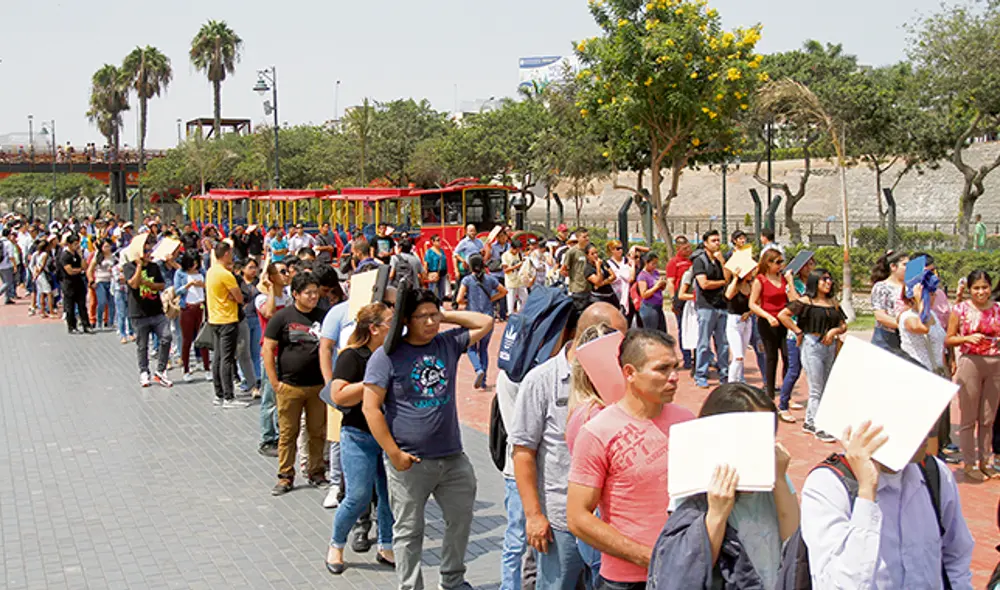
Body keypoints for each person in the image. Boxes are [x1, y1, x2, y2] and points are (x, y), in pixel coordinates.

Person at [362, 290, 493, 590]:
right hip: (410, 461)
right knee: (408, 531)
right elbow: (371, 407)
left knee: (460, 520)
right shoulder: (387, 355)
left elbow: (484, 322)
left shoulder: (446, 343)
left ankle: (452, 579)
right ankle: (410, 586)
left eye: (435, 315)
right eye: (424, 316)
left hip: (452, 457)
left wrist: (444, 314)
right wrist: (393, 453)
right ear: (406, 319)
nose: (432, 322)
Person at [511, 302, 628, 590]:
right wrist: (534, 515)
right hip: (560, 519)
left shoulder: (620, 379)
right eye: (618, 340)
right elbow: (523, 452)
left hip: (608, 520)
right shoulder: (542, 380)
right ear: (591, 336)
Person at [567, 329, 695, 590]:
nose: (673, 378)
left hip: (686, 573)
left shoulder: (687, 421)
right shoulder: (597, 432)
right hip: (625, 581)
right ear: (629, 373)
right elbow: (578, 517)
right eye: (662, 369)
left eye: (676, 368)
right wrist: (648, 557)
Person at [647, 383, 799, 590]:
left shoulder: (773, 473)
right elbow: (690, 568)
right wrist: (717, 514)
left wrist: (780, 480)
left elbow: (794, 542)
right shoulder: (695, 487)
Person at [800, 421, 974, 588]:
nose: (930, 428)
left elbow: (957, 554)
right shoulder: (828, 485)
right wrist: (867, 494)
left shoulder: (935, 474)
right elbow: (837, 585)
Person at [324, 303, 396, 574]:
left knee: (388, 496)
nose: (395, 326)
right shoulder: (352, 356)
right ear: (374, 328)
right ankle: (336, 545)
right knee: (358, 495)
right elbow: (338, 394)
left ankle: (386, 545)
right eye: (390, 321)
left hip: (387, 434)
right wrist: (371, 383)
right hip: (358, 434)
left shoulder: (391, 353)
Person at [263, 271, 329, 496]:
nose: (313, 297)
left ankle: (317, 471)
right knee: (288, 434)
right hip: (289, 387)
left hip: (318, 387)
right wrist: (275, 383)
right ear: (295, 295)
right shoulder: (282, 318)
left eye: (315, 293)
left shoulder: (324, 315)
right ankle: (285, 476)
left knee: (317, 432)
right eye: (308, 293)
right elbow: (268, 350)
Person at [778, 269, 847, 442]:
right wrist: (798, 332)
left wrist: (834, 331)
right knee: (816, 387)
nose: (828, 282)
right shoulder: (805, 301)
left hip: (829, 346)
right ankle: (819, 426)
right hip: (812, 345)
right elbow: (783, 315)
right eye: (824, 279)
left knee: (825, 385)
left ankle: (810, 421)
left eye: (829, 279)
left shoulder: (832, 302)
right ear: (815, 282)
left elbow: (843, 324)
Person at [945, 270, 1000, 481]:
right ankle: (969, 463)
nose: (981, 292)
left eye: (984, 287)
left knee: (988, 417)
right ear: (969, 289)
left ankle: (986, 460)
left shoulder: (997, 309)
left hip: (995, 363)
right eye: (976, 288)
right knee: (968, 417)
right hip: (970, 362)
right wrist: (967, 338)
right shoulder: (959, 310)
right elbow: (949, 338)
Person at [123, 235, 172, 387]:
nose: (148, 252)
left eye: (149, 249)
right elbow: (134, 285)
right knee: (142, 345)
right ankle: (144, 372)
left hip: (156, 311)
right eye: (145, 250)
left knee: (166, 337)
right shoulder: (128, 267)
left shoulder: (154, 267)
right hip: (139, 313)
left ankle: (161, 371)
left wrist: (149, 284)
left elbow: (161, 285)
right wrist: (139, 267)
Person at [256, 261, 292, 457]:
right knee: (269, 396)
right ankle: (267, 438)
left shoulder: (287, 297)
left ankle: (280, 434)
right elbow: (268, 313)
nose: (287, 275)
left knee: (283, 397)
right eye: (282, 272)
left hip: (286, 351)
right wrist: (270, 290)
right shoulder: (262, 299)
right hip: (271, 352)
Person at [206, 241, 248, 408]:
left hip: (215, 319)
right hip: (227, 319)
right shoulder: (226, 274)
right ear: (225, 255)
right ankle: (229, 397)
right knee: (227, 359)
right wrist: (236, 297)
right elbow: (239, 297)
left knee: (217, 357)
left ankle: (219, 394)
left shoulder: (211, 272)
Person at [457, 254, 507, 389]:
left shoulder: (467, 280)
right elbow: (504, 291)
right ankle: (483, 380)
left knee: (471, 347)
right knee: (484, 349)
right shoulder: (490, 279)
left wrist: (469, 301)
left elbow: (459, 299)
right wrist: (491, 299)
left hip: (473, 317)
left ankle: (478, 369)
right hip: (488, 317)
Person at [776, 253, 816, 421]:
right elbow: (795, 302)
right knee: (794, 369)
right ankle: (783, 405)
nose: (810, 267)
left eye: (812, 264)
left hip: (813, 332)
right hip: (795, 332)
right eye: (806, 265)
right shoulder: (795, 284)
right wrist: (791, 281)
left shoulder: (814, 284)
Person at [749, 248, 789, 402]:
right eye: (777, 262)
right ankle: (770, 393)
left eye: (781, 262)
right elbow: (752, 304)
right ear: (768, 263)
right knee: (771, 358)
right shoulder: (760, 280)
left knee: (788, 357)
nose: (780, 265)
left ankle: (786, 393)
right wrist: (766, 316)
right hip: (768, 323)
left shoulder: (783, 278)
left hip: (784, 321)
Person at [692, 230, 729, 388]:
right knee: (704, 343)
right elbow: (704, 284)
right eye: (713, 240)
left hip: (722, 306)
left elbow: (729, 278)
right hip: (706, 307)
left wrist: (722, 263)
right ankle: (700, 374)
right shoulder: (700, 261)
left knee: (723, 343)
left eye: (718, 240)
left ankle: (724, 374)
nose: (717, 243)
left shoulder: (722, 260)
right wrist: (722, 283)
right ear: (706, 243)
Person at [173, 253, 212, 382]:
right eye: (192, 263)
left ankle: (207, 368)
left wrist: (203, 285)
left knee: (203, 339)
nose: (195, 266)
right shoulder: (180, 273)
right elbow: (177, 290)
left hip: (200, 307)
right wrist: (188, 286)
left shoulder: (202, 272)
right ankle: (186, 369)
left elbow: (210, 286)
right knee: (187, 339)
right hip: (187, 308)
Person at [870, 251, 909, 355]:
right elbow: (880, 316)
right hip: (886, 339)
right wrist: (904, 325)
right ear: (893, 266)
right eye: (905, 265)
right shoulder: (881, 287)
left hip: (907, 338)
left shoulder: (911, 287)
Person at [665, 237, 694, 367]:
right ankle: (687, 357)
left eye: (689, 247)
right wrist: (673, 300)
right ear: (678, 248)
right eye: (685, 248)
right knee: (683, 328)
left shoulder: (692, 261)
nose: (688, 250)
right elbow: (670, 282)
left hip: (693, 298)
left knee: (695, 328)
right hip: (681, 299)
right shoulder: (674, 263)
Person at [724, 266, 755, 384]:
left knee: (742, 356)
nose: (751, 273)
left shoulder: (751, 285)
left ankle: (739, 380)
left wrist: (750, 312)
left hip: (747, 321)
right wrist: (736, 278)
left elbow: (757, 301)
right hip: (734, 321)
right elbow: (728, 295)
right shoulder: (735, 285)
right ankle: (731, 382)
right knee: (738, 356)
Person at [60, 233, 93, 334]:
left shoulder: (77, 255)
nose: (77, 246)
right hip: (68, 283)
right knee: (70, 306)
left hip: (79, 282)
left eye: (78, 243)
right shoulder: (65, 255)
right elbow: (69, 271)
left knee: (82, 305)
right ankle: (72, 326)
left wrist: (81, 256)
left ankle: (86, 325)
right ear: (69, 244)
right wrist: (80, 270)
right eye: (75, 244)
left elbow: (85, 266)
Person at [605, 240, 636, 326]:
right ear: (611, 250)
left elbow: (631, 278)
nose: (620, 251)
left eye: (622, 248)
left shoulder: (627, 260)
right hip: (616, 294)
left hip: (629, 295)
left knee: (628, 320)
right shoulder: (608, 263)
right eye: (617, 248)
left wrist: (634, 247)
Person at [87, 239, 116, 330]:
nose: (108, 248)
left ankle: (110, 322)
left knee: (111, 303)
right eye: (105, 247)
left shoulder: (113, 257)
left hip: (111, 281)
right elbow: (89, 270)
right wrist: (91, 281)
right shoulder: (97, 257)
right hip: (100, 281)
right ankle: (99, 321)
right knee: (102, 301)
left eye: (109, 246)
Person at [636, 252, 668, 333]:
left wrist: (662, 285)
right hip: (649, 307)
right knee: (652, 333)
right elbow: (644, 294)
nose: (655, 266)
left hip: (658, 306)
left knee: (662, 332)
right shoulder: (642, 276)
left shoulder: (655, 273)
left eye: (656, 264)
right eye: (653, 264)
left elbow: (660, 289)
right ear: (646, 263)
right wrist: (656, 286)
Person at [563, 228, 593, 312]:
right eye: (584, 237)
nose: (587, 238)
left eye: (588, 236)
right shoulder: (572, 252)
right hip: (578, 289)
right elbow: (564, 269)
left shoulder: (589, 250)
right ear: (578, 238)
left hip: (589, 288)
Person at [585, 244, 618, 309]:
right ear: (587, 256)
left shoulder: (603, 262)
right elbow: (597, 281)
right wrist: (598, 267)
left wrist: (602, 283)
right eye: (592, 254)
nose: (595, 255)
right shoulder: (587, 268)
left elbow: (613, 276)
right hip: (598, 297)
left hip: (610, 295)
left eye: (596, 253)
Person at [502, 239, 527, 315]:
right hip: (511, 281)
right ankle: (511, 315)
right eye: (517, 250)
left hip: (520, 280)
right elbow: (505, 270)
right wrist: (516, 266)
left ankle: (521, 313)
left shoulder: (519, 254)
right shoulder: (505, 255)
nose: (517, 251)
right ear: (512, 248)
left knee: (525, 298)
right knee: (511, 301)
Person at [423, 234, 448, 299]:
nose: (440, 242)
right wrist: (426, 275)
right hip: (433, 273)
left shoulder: (441, 251)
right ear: (433, 242)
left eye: (440, 240)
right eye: (437, 240)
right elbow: (426, 264)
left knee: (442, 290)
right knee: (432, 290)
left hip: (442, 273)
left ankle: (440, 304)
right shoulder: (429, 252)